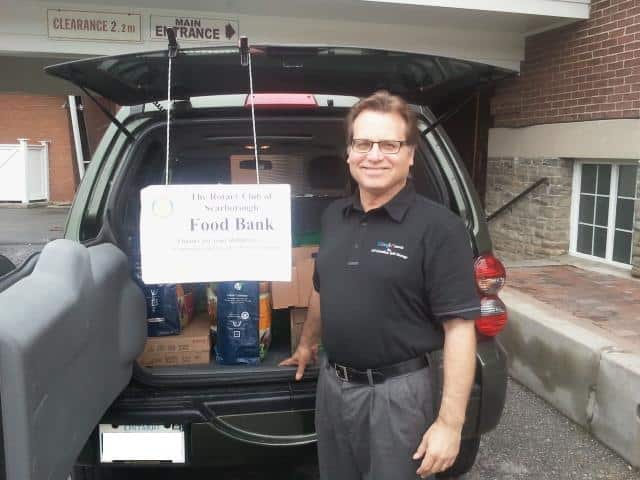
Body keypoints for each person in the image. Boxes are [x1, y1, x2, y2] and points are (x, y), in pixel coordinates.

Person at [280, 90, 480, 480]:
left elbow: (460, 328)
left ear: (410, 154)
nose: (374, 155)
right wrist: (306, 344)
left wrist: (450, 425)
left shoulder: (441, 229)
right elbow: (324, 289)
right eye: (363, 143)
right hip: (333, 387)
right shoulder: (334, 215)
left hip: (399, 396)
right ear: (349, 152)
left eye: (389, 144)